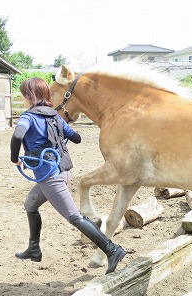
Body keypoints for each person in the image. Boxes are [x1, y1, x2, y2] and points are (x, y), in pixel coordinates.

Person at [10, 77, 126, 274]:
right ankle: (34, 249)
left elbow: (17, 136)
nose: (23, 99)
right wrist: (59, 134)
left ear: (29, 96)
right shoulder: (54, 116)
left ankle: (112, 249)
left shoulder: (27, 117)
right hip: (62, 172)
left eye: (23, 95)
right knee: (30, 205)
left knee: (74, 217)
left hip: (49, 177)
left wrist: (15, 159)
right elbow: (77, 138)